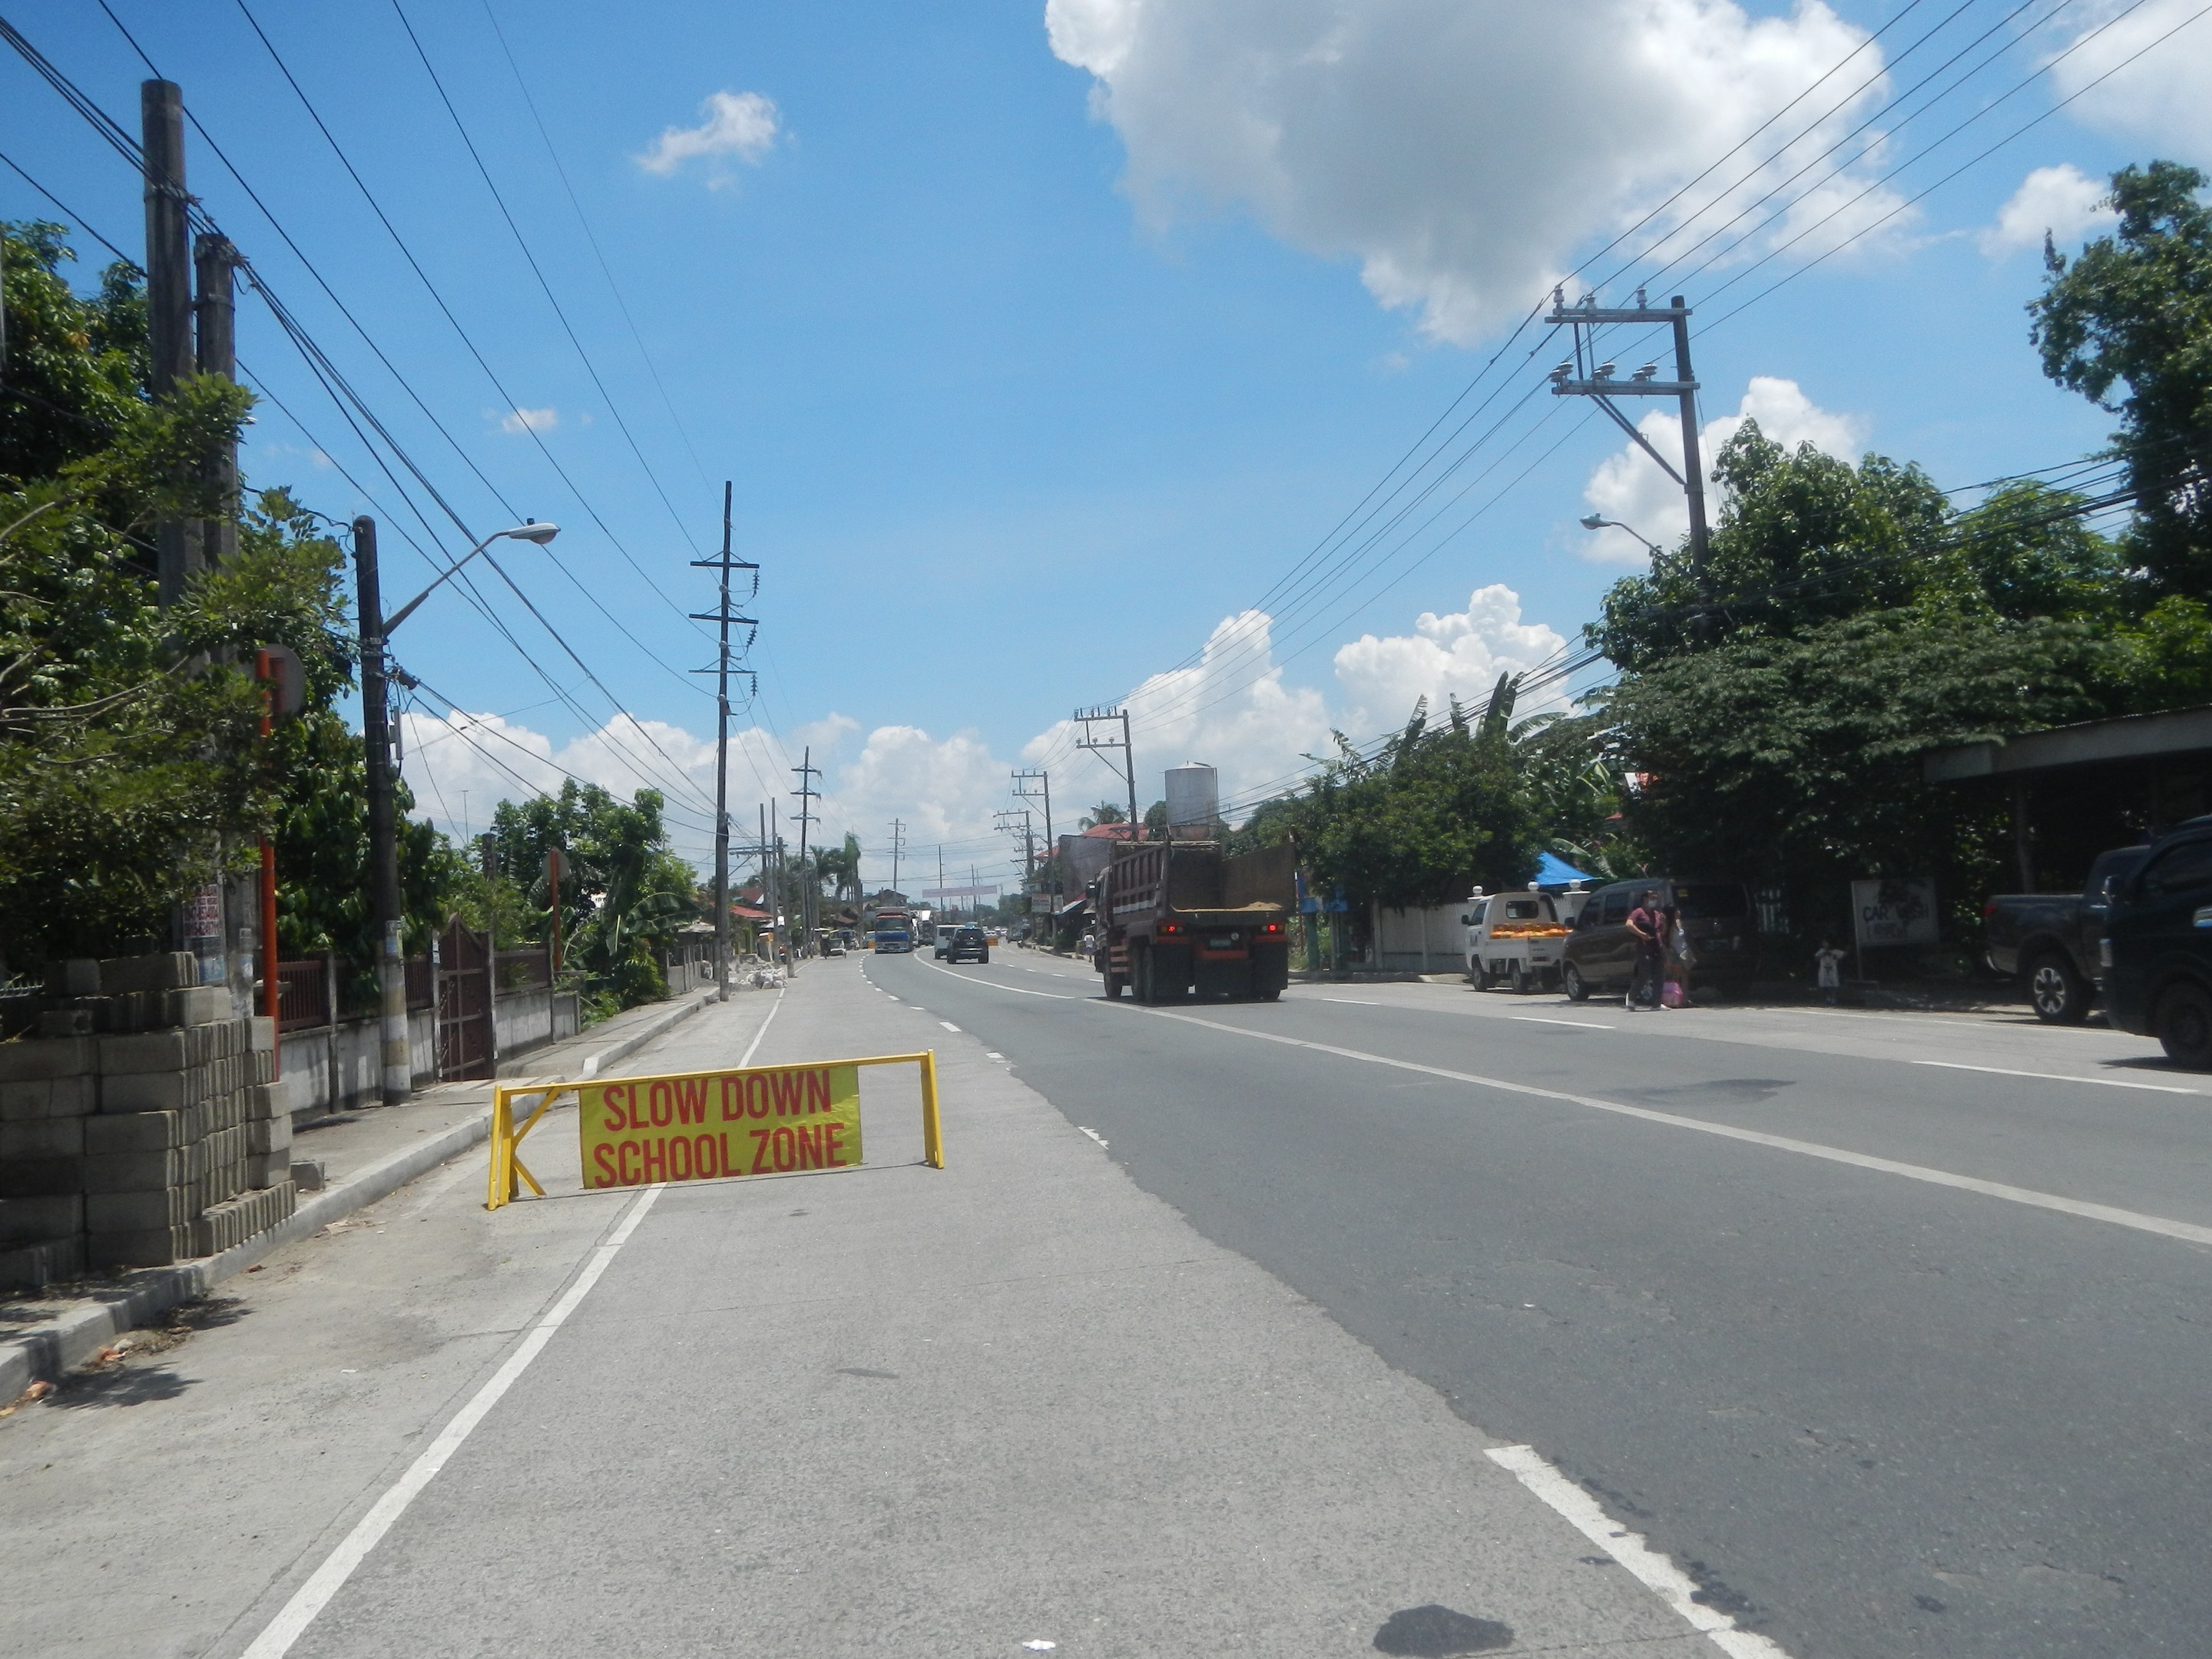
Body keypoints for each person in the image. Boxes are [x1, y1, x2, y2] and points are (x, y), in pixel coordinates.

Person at [1625, 889, 1665, 1011]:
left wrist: (1664, 923)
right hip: (1644, 949)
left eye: (1655, 898)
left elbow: (1661, 931)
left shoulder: (1657, 914)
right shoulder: (1639, 912)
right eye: (1652, 898)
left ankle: (1656, 1004)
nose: (1654, 901)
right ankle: (1631, 998)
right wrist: (1642, 935)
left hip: (1657, 948)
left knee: (1659, 976)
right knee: (1644, 975)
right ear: (1645, 899)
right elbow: (1629, 925)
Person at [1815, 938, 1848, 1005]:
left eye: (1826, 942)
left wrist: (1835, 956)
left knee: (1833, 985)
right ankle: (1828, 998)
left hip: (1833, 970)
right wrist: (1823, 954)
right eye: (1823, 943)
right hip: (1823, 970)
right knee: (1825, 985)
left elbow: (1844, 954)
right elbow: (1816, 958)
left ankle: (1834, 999)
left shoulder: (1835, 951)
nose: (1824, 944)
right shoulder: (1821, 951)